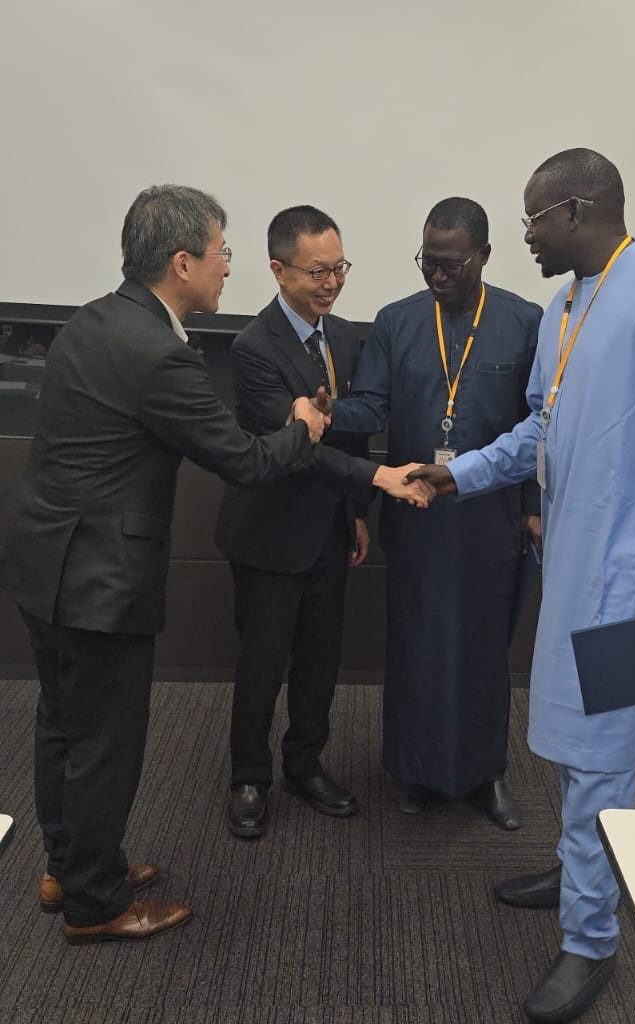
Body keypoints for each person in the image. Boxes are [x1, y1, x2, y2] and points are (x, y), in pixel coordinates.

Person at [0, 185, 428, 945]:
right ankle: (95, 905)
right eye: (220, 252)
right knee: (104, 740)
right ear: (182, 262)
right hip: (99, 579)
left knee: (63, 724)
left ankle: (71, 865)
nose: (227, 266)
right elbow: (245, 461)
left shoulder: (94, 321)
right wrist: (304, 424)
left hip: (45, 561)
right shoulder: (159, 354)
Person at [407, 150, 635, 1023]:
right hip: (572, 566)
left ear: (579, 210)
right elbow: (541, 433)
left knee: (602, 757)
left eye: (534, 219)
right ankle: (578, 866)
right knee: (570, 744)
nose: (525, 236)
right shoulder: (564, 305)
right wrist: (460, 473)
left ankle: (590, 941)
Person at [315, 198, 542, 829]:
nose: (437, 275)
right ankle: (411, 770)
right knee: (416, 642)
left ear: (484, 257)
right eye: (428, 262)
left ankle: (484, 774)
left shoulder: (524, 322)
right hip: (416, 513)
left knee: (483, 647)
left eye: (450, 264)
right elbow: (373, 407)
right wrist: (332, 412)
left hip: (489, 518)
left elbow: (537, 427)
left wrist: (531, 508)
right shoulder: (397, 321)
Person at [215, 206, 373, 835]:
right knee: (262, 664)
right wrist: (376, 480)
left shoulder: (346, 338)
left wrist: (356, 512)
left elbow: (352, 434)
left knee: (319, 660)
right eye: (317, 272)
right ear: (279, 271)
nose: (332, 283)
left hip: (330, 530)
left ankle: (305, 765)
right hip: (270, 537)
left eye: (339, 268)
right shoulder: (253, 348)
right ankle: (249, 778)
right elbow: (297, 449)